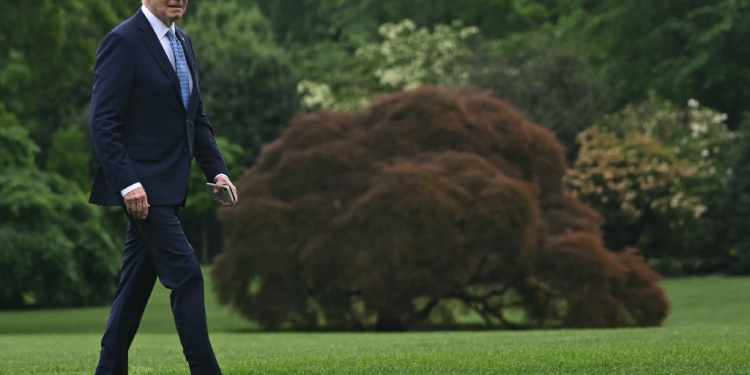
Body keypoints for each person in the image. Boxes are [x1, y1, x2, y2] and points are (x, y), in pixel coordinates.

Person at [88, 0, 236, 374]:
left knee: (135, 288)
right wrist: (127, 184)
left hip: (169, 188)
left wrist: (217, 171)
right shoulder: (122, 41)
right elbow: (103, 123)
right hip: (140, 191)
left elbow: (195, 117)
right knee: (187, 272)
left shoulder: (182, 41)